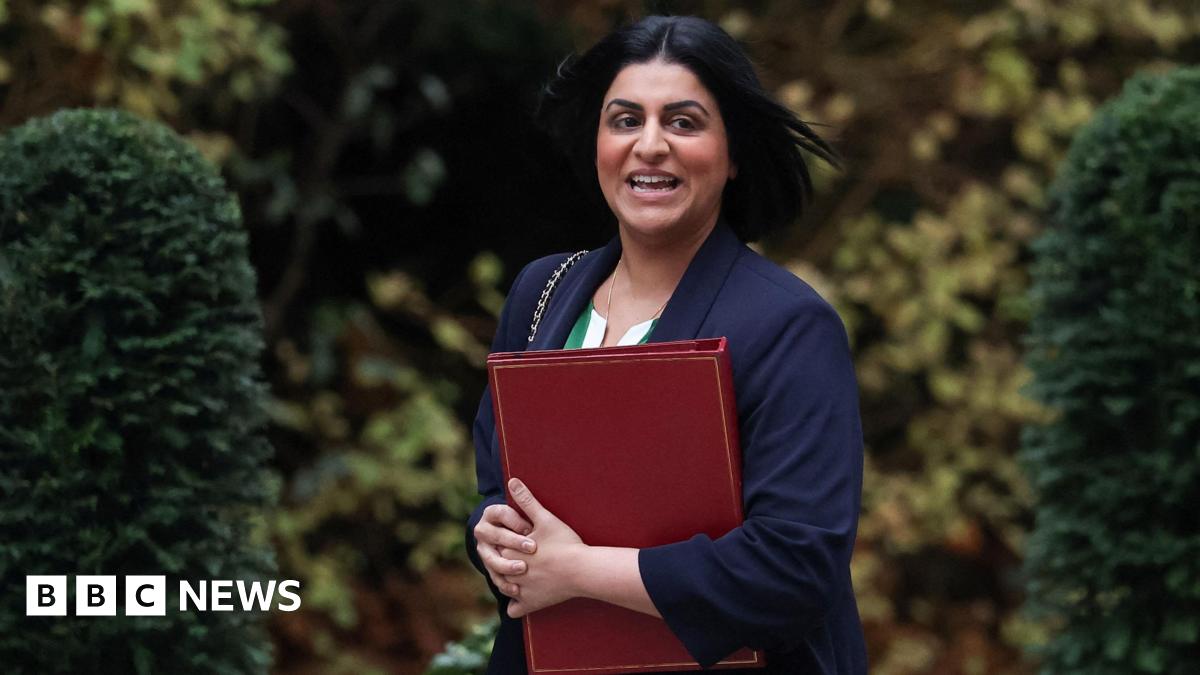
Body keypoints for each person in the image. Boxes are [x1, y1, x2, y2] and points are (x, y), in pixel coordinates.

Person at [465, 15, 866, 674]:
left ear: (733, 153)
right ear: (597, 141)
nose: (650, 145)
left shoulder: (790, 326)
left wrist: (582, 570)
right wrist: (494, 538)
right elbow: (494, 487)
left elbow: (796, 565)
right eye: (625, 120)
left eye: (683, 122)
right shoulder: (541, 294)